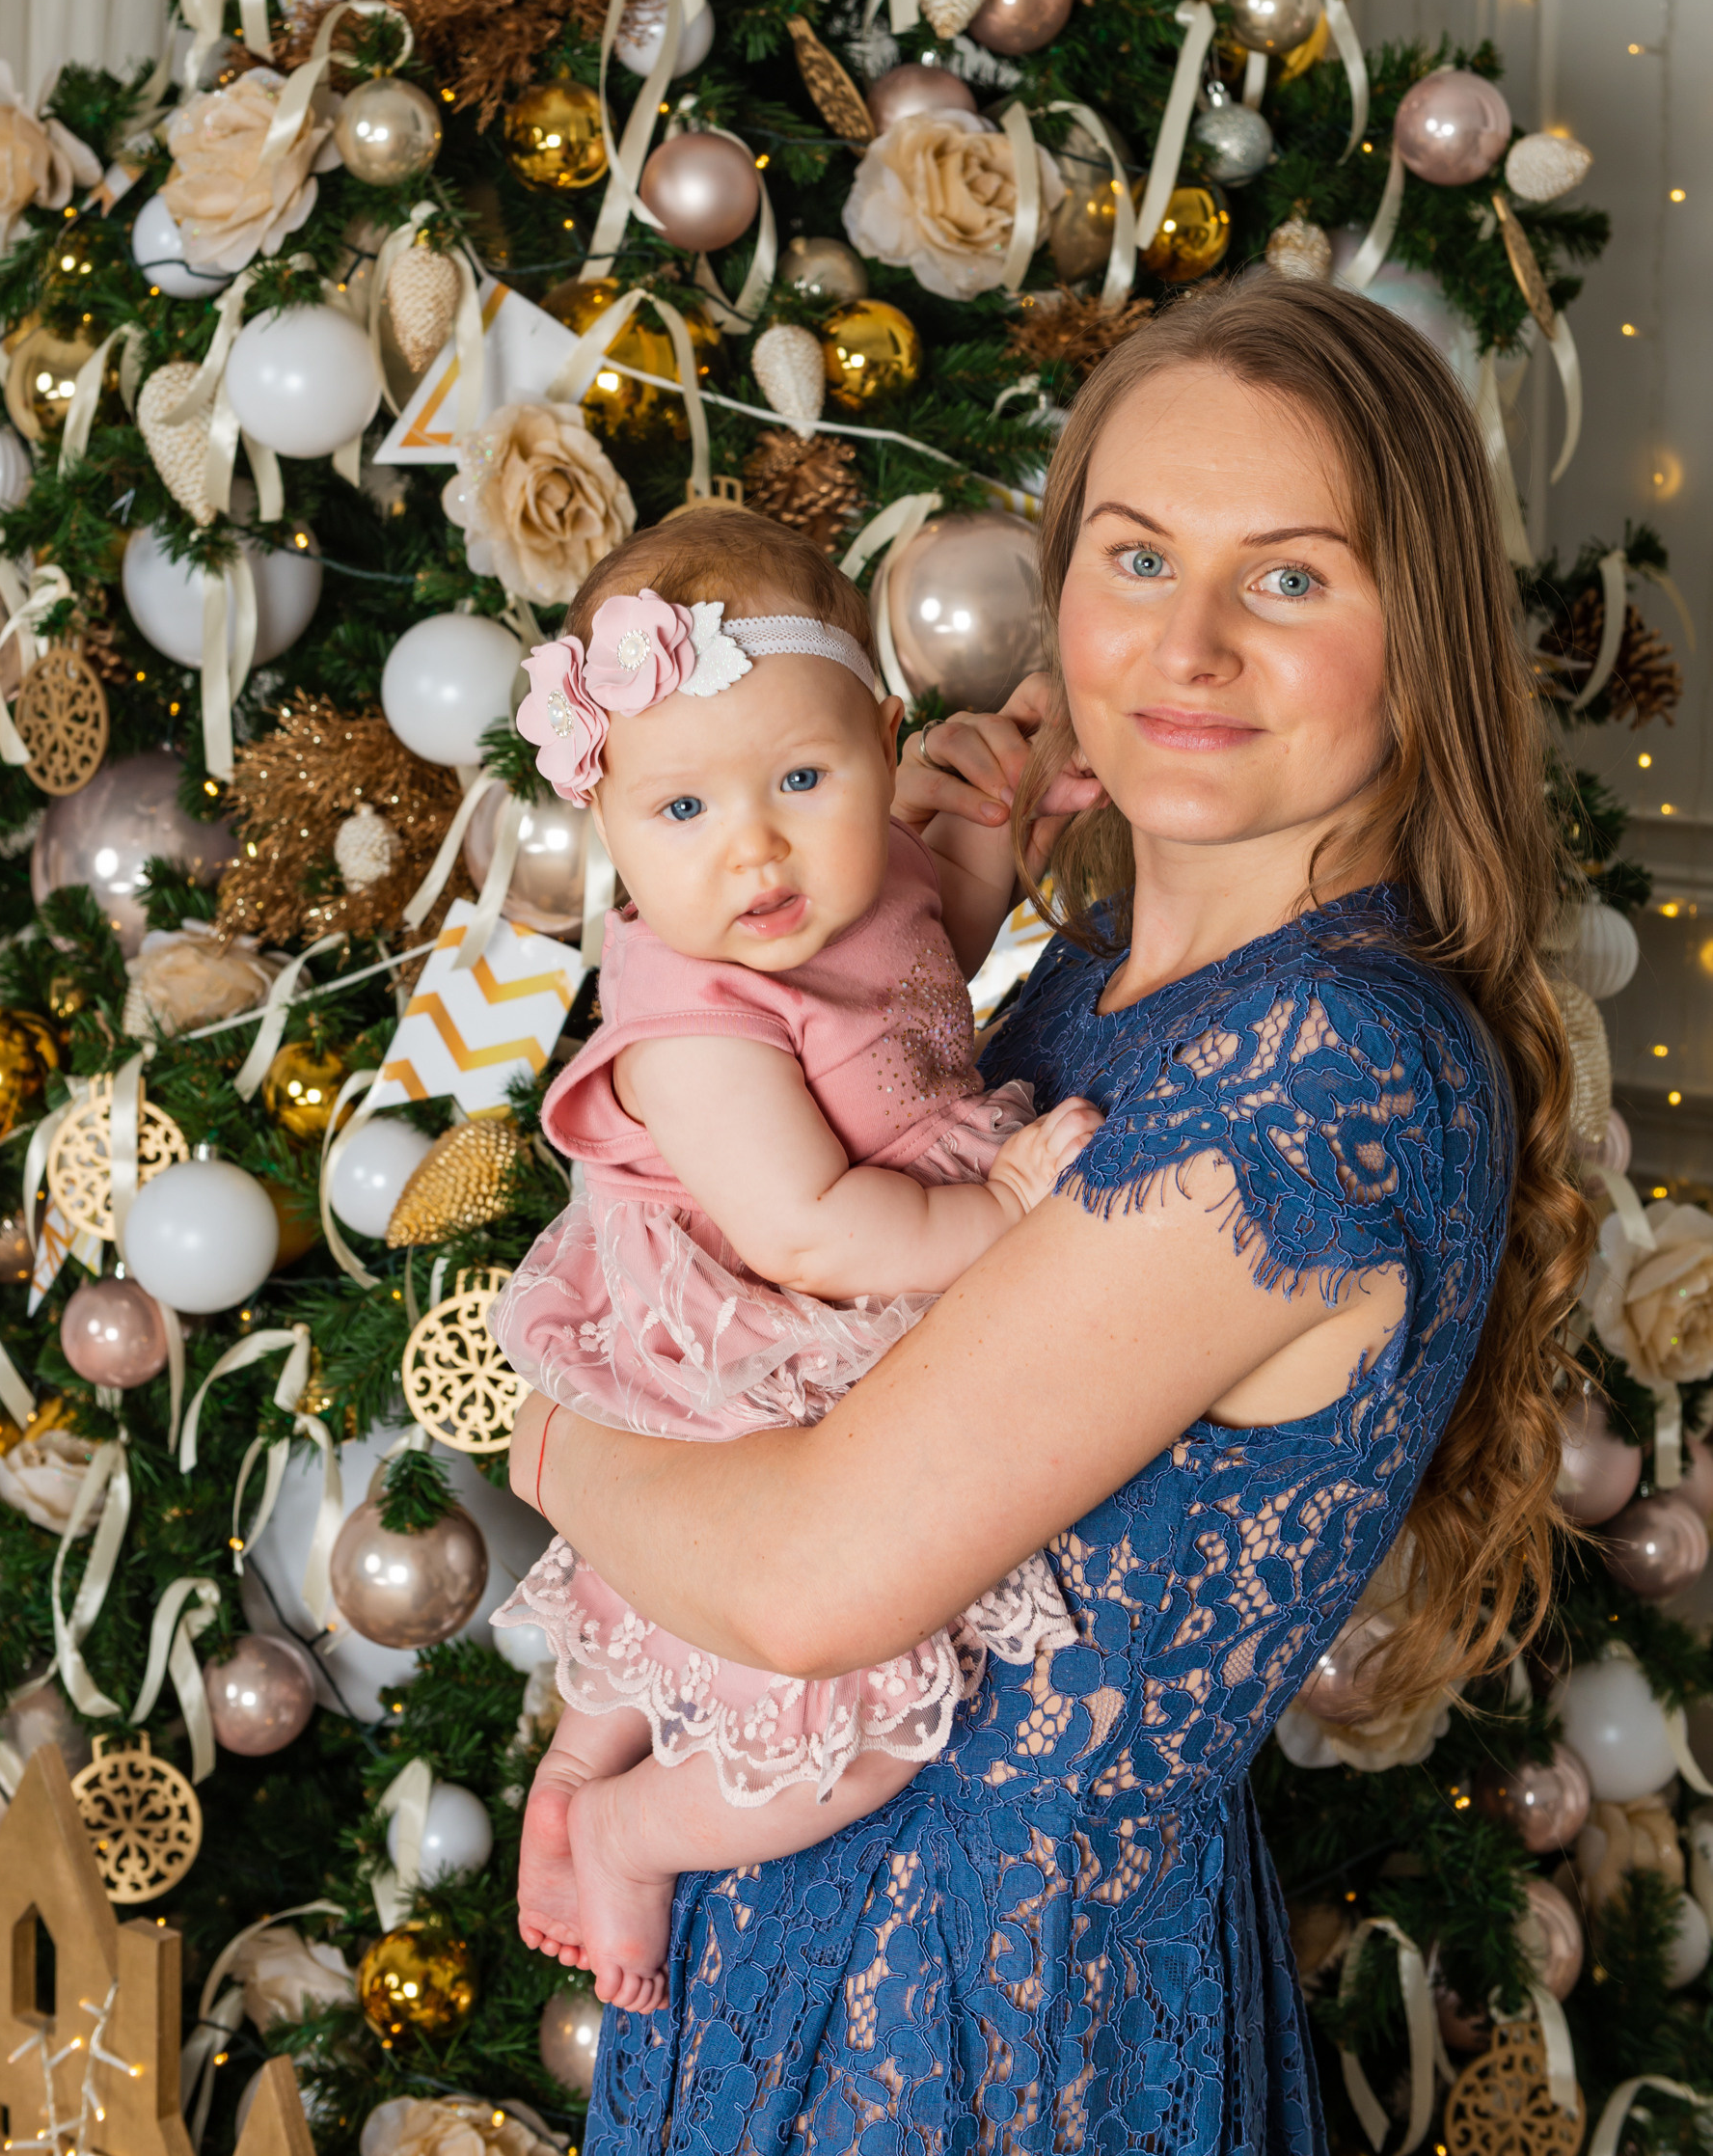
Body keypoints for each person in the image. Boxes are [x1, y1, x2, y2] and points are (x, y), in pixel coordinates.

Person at [507, 278, 1592, 2154]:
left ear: (1414, 629)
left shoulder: (1324, 1068)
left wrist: (534, 1425)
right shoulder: (1090, 973)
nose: (1182, 646)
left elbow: (799, 1579)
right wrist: (936, 875)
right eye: (1135, 556)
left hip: (999, 2032)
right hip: (782, 1922)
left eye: (1285, 577)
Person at [493, 511, 1105, 2010]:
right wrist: (1006, 1223)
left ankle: (578, 1773)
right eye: (680, 812)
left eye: (802, 781)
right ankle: (627, 1823)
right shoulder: (691, 1009)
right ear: (614, 828)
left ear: (880, 746)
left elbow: (923, 960)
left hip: (849, 1260)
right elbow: (803, 1228)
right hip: (753, 1313)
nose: (752, 848)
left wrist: (1005, 820)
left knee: (662, 1630)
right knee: (879, 1715)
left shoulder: (856, 878)